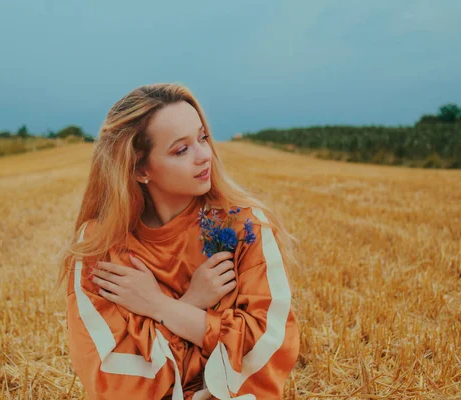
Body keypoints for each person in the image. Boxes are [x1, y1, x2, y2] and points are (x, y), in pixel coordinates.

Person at [56, 83, 300, 399]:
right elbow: (115, 383)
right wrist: (191, 305)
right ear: (140, 169)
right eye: (181, 149)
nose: (204, 156)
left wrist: (158, 306)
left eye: (203, 138)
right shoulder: (99, 247)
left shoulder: (243, 227)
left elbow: (267, 346)